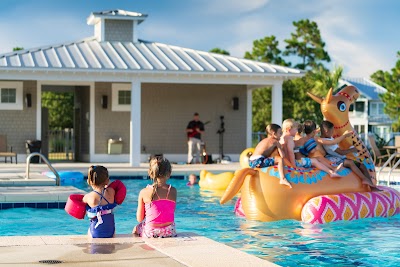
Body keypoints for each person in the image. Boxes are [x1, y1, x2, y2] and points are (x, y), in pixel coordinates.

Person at [320, 120, 377, 188]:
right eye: (332, 131)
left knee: (362, 165)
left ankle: (371, 185)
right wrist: (352, 150)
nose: (332, 133)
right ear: (326, 131)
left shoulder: (328, 138)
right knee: (350, 163)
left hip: (340, 157)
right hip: (334, 159)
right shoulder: (327, 142)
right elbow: (341, 152)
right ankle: (364, 179)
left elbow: (336, 141)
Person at [133, 156, 177, 238]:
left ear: (150, 173)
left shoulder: (144, 192)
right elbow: (171, 212)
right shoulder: (173, 191)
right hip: (170, 232)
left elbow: (139, 218)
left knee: (136, 228)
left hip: (151, 232)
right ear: (169, 173)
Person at [249, 123, 291, 188]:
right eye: (280, 133)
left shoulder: (265, 140)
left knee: (273, 159)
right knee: (279, 159)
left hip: (251, 161)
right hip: (258, 161)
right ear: (274, 134)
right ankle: (282, 178)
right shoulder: (275, 141)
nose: (281, 135)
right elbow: (282, 156)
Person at [83, 165, 116, 238]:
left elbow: (81, 206)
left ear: (89, 181)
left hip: (95, 232)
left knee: (89, 231)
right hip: (111, 231)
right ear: (107, 180)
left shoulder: (89, 197)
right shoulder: (111, 192)